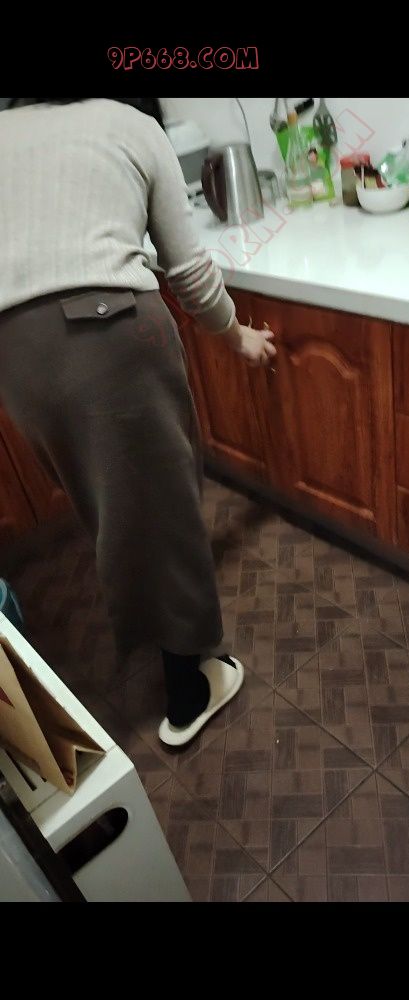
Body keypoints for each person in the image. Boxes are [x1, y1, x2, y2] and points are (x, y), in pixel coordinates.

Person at [0, 98, 276, 747]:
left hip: (15, 357)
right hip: (109, 333)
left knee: (115, 509)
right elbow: (189, 269)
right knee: (162, 511)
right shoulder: (129, 125)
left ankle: (156, 636)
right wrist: (237, 337)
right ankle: (187, 695)